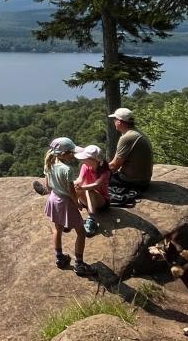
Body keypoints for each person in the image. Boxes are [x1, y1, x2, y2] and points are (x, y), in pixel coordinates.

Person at [40, 137, 95, 276]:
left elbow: (48, 185)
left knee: (57, 229)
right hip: (66, 202)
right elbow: (71, 191)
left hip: (54, 199)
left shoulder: (49, 164)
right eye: (71, 153)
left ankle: (60, 258)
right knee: (81, 233)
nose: (74, 155)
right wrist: (76, 203)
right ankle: (79, 264)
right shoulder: (67, 169)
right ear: (64, 154)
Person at [107, 107, 153, 200]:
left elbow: (114, 166)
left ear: (119, 121)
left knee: (96, 181)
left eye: (115, 119)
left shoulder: (127, 137)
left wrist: (97, 171)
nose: (114, 121)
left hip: (133, 182)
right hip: (144, 180)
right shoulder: (138, 133)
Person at [73, 144, 110, 236]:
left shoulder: (105, 172)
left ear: (94, 160)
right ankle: (70, 211)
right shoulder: (85, 166)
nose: (82, 160)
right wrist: (71, 184)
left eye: (85, 158)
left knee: (90, 190)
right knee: (76, 187)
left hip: (101, 202)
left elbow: (96, 185)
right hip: (86, 199)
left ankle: (92, 220)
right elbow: (80, 180)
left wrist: (82, 187)